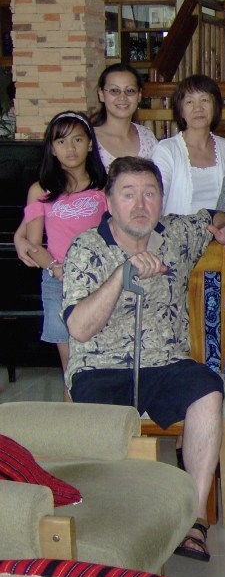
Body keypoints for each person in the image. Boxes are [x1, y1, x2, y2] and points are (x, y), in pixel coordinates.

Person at [62, 157, 225, 562]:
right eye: (128, 194)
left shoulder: (177, 233)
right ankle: (117, 522)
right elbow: (78, 328)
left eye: (150, 193)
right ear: (109, 202)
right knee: (99, 417)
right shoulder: (86, 247)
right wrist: (121, 276)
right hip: (101, 365)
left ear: (162, 200)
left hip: (165, 361)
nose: (140, 204)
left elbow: (215, 215)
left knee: (206, 389)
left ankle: (192, 519)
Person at [14, 112, 108, 385]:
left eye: (78, 139)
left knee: (99, 363)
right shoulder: (40, 190)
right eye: (62, 141)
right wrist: (56, 268)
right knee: (71, 369)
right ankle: (72, 424)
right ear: (52, 149)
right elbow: (32, 244)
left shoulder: (103, 187)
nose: (71, 148)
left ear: (90, 144)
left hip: (97, 282)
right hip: (58, 282)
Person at [152, 74, 225, 215]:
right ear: (181, 110)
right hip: (177, 233)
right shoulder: (166, 151)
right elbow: (156, 201)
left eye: (205, 100)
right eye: (189, 102)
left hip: (220, 234)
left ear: (215, 106)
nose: (198, 108)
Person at [90, 63, 158, 167]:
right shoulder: (89, 139)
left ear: (139, 95)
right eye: (114, 91)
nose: (122, 97)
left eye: (130, 91)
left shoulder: (147, 137)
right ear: (101, 94)